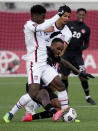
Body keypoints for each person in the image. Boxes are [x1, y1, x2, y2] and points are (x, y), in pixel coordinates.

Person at [59, 8, 96, 105]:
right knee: (64, 76)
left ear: (85, 16)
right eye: (80, 14)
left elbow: (87, 43)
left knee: (83, 76)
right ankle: (65, 98)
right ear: (77, 15)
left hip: (77, 56)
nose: (81, 16)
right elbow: (61, 34)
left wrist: (82, 48)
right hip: (66, 54)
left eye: (83, 15)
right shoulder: (69, 24)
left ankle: (88, 97)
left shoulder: (86, 29)